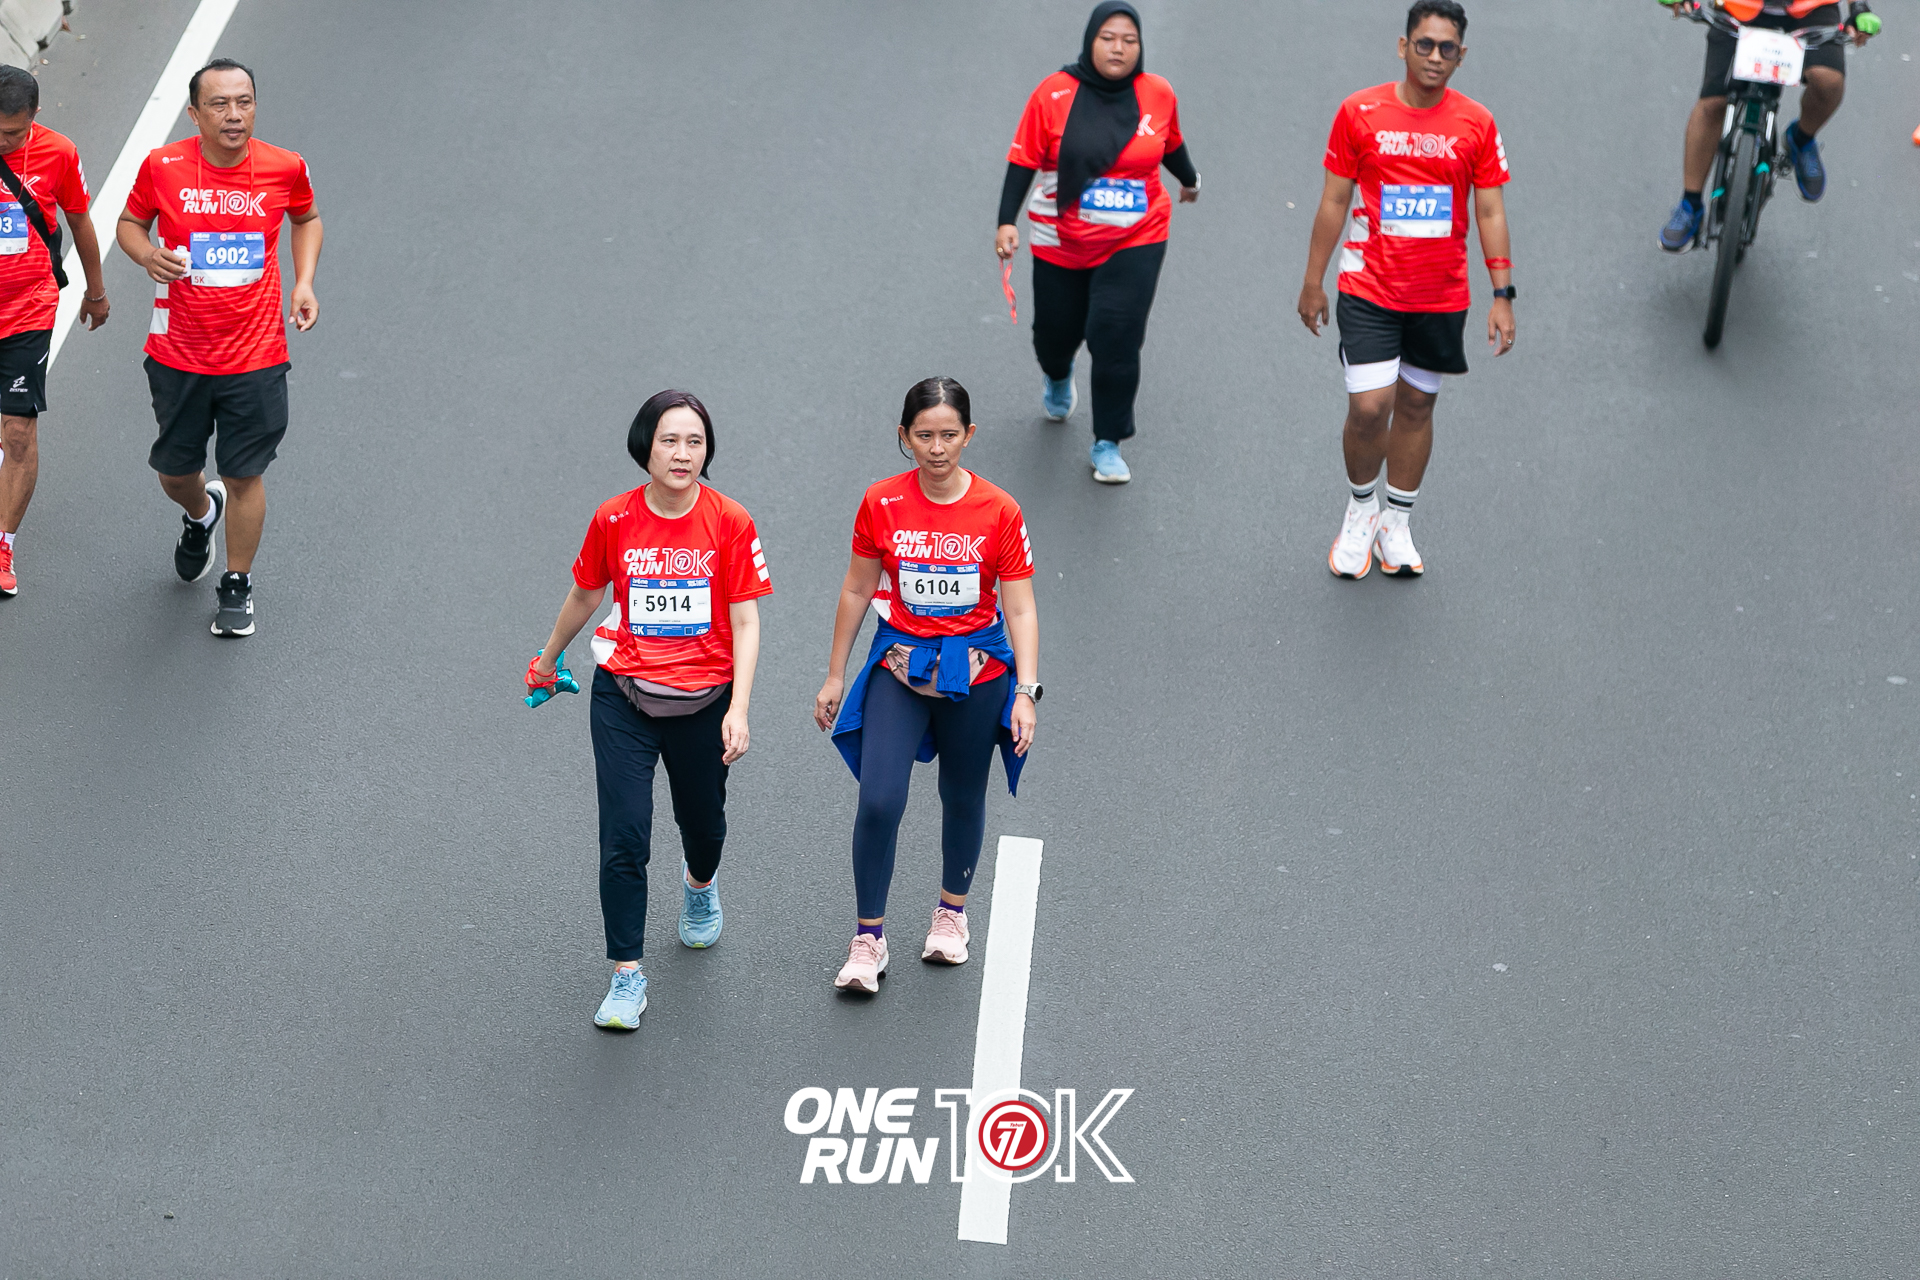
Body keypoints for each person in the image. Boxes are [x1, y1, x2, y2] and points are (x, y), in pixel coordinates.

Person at [526, 390, 769, 1032]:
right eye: (669, 441)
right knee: (625, 835)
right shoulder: (614, 518)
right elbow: (586, 593)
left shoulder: (730, 521)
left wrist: (739, 708)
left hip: (704, 702)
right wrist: (548, 659)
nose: (682, 454)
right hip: (624, 696)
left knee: (704, 826)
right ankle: (626, 975)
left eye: (694, 442)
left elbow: (746, 620)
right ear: (646, 447)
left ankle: (699, 886)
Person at [813, 377, 1040, 995]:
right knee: (879, 800)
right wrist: (835, 674)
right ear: (904, 437)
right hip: (900, 668)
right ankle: (869, 938)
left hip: (978, 675)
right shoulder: (881, 502)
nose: (936, 448)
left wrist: (1026, 691)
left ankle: (950, 915)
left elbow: (1020, 607)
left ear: (969, 435)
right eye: (923, 436)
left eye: (948, 435)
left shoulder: (999, 509)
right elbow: (858, 587)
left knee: (962, 796)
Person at [1297, 0, 1514, 580]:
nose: (1435, 57)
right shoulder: (1359, 112)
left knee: (1417, 406)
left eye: (1447, 48)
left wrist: (1503, 294)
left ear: (1461, 56)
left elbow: (1489, 209)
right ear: (1403, 46)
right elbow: (1334, 200)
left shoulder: (1476, 123)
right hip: (1368, 288)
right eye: (1425, 44)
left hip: (1439, 296)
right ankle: (1360, 509)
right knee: (1370, 407)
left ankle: (1396, 520)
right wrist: (1313, 282)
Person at [116, 58, 322, 637]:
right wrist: (146, 254)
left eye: (244, 102)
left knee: (244, 473)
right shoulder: (163, 166)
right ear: (194, 113)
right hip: (177, 352)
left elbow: (307, 218)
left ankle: (237, 583)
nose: (234, 115)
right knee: (174, 471)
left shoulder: (285, 166)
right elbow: (129, 223)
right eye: (220, 104)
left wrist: (304, 282)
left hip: (257, 355)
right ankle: (200, 514)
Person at [995, 1, 1199, 485]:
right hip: (1060, 237)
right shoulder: (1054, 93)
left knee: (1117, 335)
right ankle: (1057, 373)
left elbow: (1169, 142)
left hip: (1137, 236)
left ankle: (1108, 441)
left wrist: (1190, 179)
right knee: (1055, 333)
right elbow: (1023, 159)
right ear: (1091, 41)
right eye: (1108, 38)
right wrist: (1006, 221)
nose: (1118, 49)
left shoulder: (1157, 92)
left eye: (1129, 41)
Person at [0, 65, 110, 598]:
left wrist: (96, 291)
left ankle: (3, 544)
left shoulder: (58, 153)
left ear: (34, 116)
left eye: (12, 133)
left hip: (27, 309)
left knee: (19, 431)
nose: (3, 141)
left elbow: (79, 220)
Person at [1656, 0, 1875, 250]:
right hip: (1739, 6)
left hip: (1810, 9)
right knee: (1713, 103)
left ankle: (1801, 139)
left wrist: (1859, 9)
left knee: (1829, 82)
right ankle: (1690, 204)